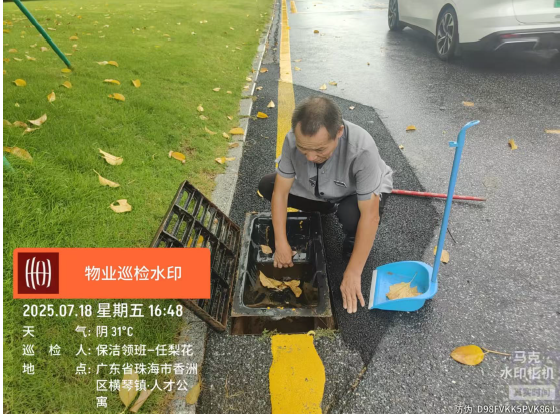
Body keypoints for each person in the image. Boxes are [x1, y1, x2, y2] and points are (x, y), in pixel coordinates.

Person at [258, 96, 394, 314]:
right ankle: (325, 208)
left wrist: (353, 272)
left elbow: (370, 216)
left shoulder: (362, 148)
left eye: (320, 150)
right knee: (268, 184)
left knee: (353, 216)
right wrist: (281, 243)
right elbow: (280, 193)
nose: (311, 157)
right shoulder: (291, 140)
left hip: (352, 194)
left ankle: (352, 239)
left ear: (338, 132)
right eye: (304, 149)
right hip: (316, 188)